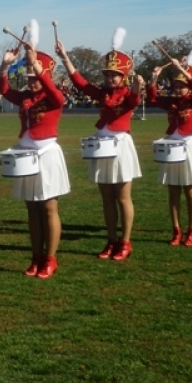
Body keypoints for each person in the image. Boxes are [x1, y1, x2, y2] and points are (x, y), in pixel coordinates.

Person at [56, 30, 142, 261]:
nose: (110, 78)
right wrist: (65, 57)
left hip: (120, 144)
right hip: (101, 144)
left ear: (123, 75)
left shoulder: (127, 93)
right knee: (106, 197)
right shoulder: (102, 92)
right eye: (108, 74)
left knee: (123, 197)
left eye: (115, 74)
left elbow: (134, 100)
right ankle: (111, 240)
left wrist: (137, 86)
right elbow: (80, 82)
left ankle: (125, 242)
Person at [0, 38, 69, 279]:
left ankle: (50, 258)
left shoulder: (54, 97)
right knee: (31, 208)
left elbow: (55, 93)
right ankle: (36, 256)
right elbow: (4, 90)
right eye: (28, 77)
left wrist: (37, 65)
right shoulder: (26, 97)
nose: (31, 81)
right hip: (26, 154)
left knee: (49, 207)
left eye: (35, 77)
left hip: (47, 154)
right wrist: (4, 66)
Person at [147, 58, 192, 246]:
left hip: (189, 145)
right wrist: (154, 79)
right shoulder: (172, 102)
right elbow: (152, 98)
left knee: (191, 191)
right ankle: (176, 230)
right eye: (176, 86)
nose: (178, 90)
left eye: (182, 86)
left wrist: (182, 69)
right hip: (172, 146)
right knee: (173, 191)